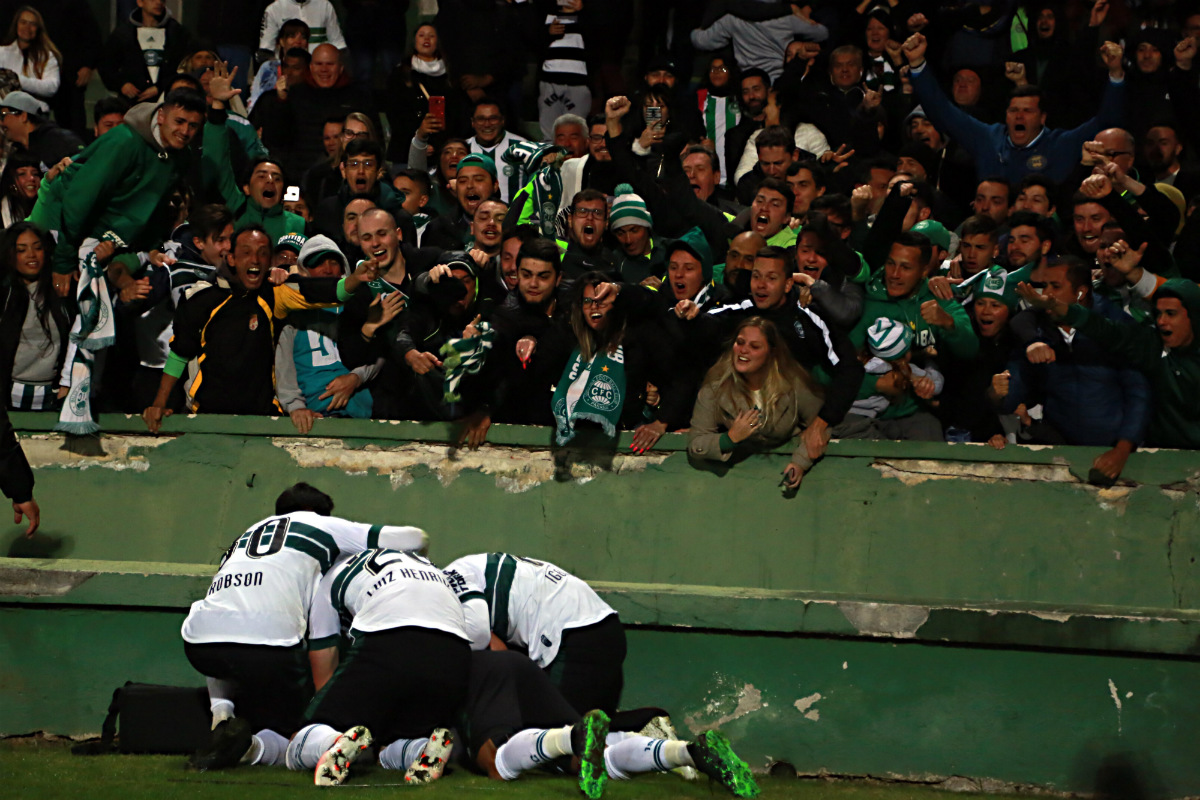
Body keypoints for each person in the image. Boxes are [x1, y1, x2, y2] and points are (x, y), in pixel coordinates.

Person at [181, 482, 427, 772]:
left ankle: (228, 728)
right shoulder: (320, 525)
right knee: (301, 728)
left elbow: (226, 614)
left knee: (227, 625)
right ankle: (337, 742)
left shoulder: (242, 539)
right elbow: (412, 537)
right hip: (271, 648)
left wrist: (222, 706)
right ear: (319, 513)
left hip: (198, 646)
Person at [141, 225, 376, 428]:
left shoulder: (276, 294)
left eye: (263, 254)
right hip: (206, 417)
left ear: (269, 261)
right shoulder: (200, 300)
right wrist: (159, 404)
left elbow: (328, 291)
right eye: (246, 252)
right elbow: (179, 354)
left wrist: (355, 278)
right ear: (231, 258)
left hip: (263, 419)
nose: (255, 259)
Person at [283, 547, 474, 786]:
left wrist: (321, 715)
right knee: (391, 744)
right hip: (455, 653)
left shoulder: (333, 575)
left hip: (389, 641)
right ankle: (420, 749)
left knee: (299, 743)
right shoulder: (428, 566)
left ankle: (333, 741)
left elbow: (324, 648)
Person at [29, 87, 205, 282]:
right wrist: (63, 260)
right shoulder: (124, 142)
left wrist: (152, 247)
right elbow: (80, 201)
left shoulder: (181, 155)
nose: (185, 131)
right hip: (62, 223)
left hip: (103, 236)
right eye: (179, 121)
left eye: (193, 126)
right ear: (161, 116)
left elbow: (156, 203)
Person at [902, 31, 1127, 183]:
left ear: (1042, 117)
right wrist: (917, 64)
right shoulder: (988, 138)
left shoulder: (1060, 145)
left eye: (1027, 111)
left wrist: (1115, 74)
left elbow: (1106, 124)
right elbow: (943, 113)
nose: (1019, 116)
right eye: (1013, 111)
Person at [442, 552, 626, 716]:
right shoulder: (463, 571)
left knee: (559, 736)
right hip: (599, 625)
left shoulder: (450, 578)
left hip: (577, 633)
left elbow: (483, 637)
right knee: (592, 733)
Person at [688, 316, 824, 489]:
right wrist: (730, 438)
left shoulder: (794, 386)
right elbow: (696, 444)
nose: (743, 350)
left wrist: (801, 462)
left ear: (771, 352)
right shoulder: (715, 390)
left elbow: (822, 425)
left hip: (781, 474)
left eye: (754, 346)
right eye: (740, 342)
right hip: (737, 480)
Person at [275, 235, 377, 434]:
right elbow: (283, 364)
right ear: (304, 271)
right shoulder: (291, 314)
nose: (327, 269)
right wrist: (295, 407)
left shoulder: (357, 305)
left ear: (343, 269)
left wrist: (356, 377)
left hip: (361, 413)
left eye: (333, 262)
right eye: (318, 263)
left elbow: (379, 351)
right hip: (313, 415)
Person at [0, 221, 68, 412]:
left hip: (53, 395)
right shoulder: (6, 295)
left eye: (37, 248)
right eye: (22, 250)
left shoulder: (60, 293)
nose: (31, 255)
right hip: (10, 393)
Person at [100, 0, 193, 103]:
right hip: (132, 103)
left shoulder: (177, 33)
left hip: (168, 101)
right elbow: (106, 66)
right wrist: (122, 84)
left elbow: (185, 67)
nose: (158, 2)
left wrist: (161, 87)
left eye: (162, 0)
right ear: (140, 2)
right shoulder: (123, 33)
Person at [0, 90, 82, 168]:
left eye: (3, 116)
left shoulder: (60, 140)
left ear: (23, 116)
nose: (1, 123)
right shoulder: (17, 151)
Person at [0, 5, 59, 102]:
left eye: (33, 24)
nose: (27, 27)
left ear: (38, 29)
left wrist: (17, 80)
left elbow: (52, 87)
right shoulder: (2, 52)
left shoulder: (47, 56)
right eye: (23, 22)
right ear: (16, 25)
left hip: (36, 112)